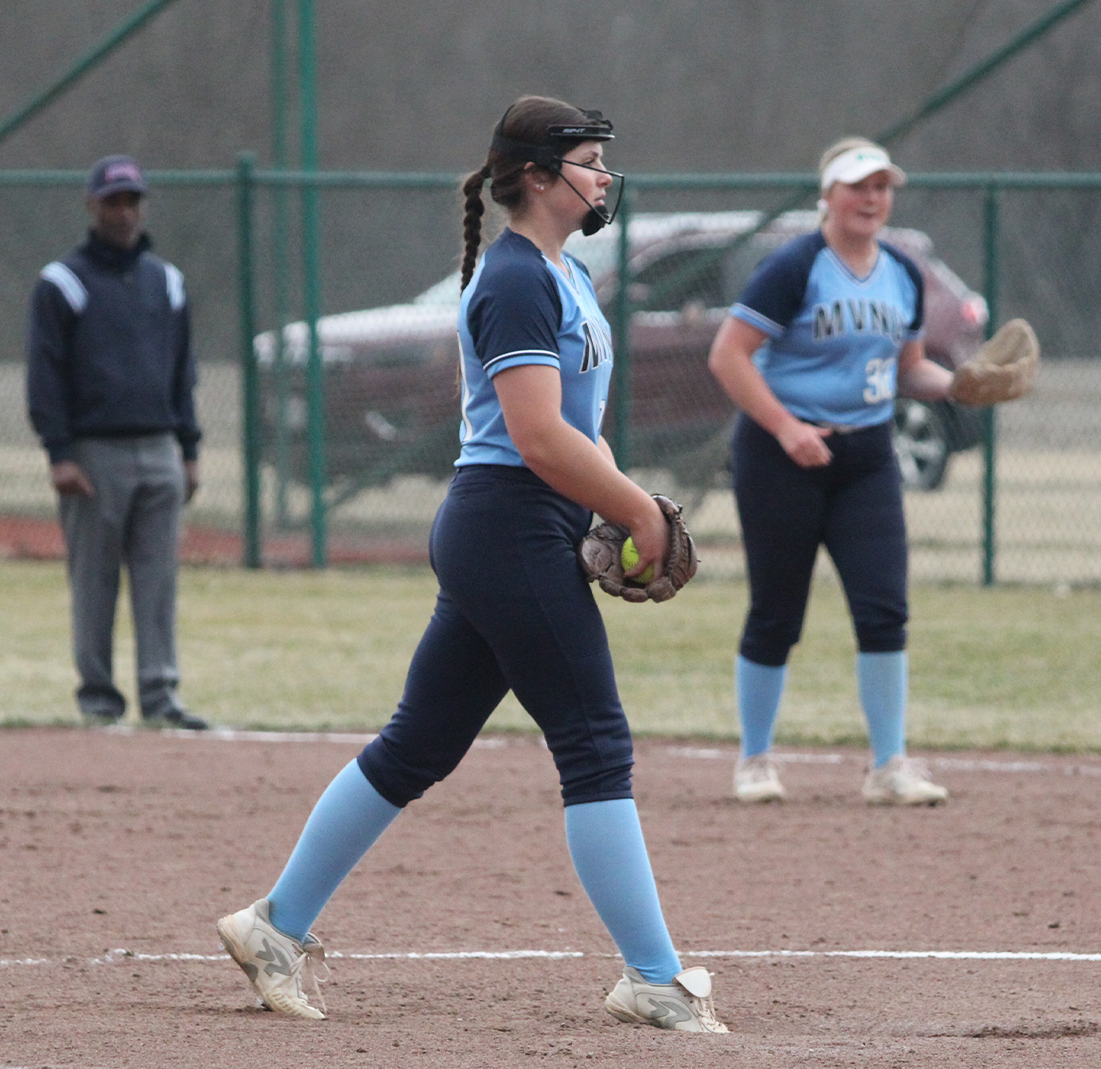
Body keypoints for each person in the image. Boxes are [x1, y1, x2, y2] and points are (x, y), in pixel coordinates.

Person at [213, 96, 727, 1033]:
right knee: (595, 743)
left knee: (417, 744)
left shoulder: (565, 274)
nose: (603, 175)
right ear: (536, 174)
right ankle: (654, 978)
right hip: (508, 524)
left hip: (520, 525)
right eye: (587, 160)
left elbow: (579, 429)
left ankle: (274, 925)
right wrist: (635, 511)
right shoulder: (516, 279)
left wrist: (621, 497)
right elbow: (536, 435)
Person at [707, 138, 952, 806]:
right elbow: (729, 355)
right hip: (780, 455)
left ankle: (889, 766)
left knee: (884, 609)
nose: (871, 199)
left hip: (867, 457)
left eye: (881, 187)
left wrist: (963, 385)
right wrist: (786, 428)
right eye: (858, 186)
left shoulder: (902, 272)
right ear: (828, 195)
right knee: (777, 611)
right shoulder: (795, 266)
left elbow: (909, 369)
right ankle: (754, 760)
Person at [25, 154, 207, 731]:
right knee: (94, 581)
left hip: (159, 448)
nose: (123, 212)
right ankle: (99, 698)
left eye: (132, 201)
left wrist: (189, 450)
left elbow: (183, 374)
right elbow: (45, 375)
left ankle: (160, 694)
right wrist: (59, 453)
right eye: (112, 202)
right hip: (94, 453)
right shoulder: (63, 283)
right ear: (92, 205)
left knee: (158, 582)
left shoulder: (167, 281)